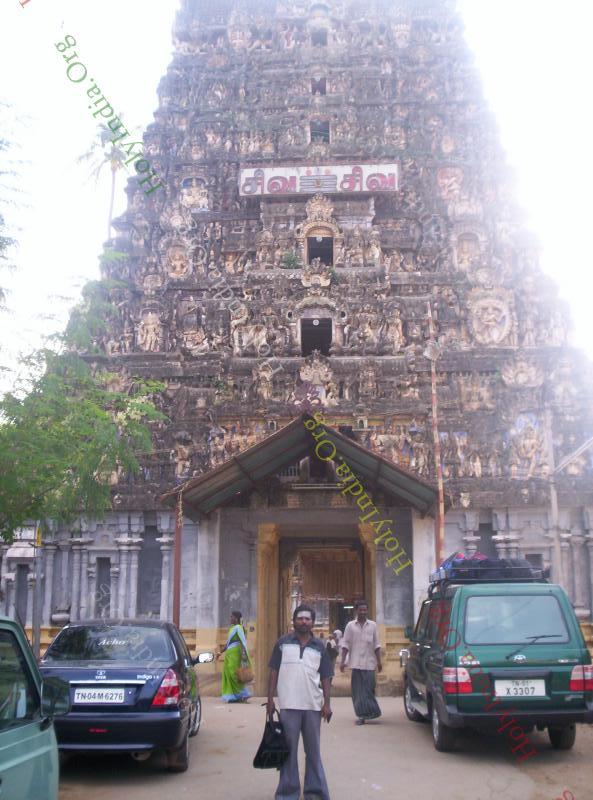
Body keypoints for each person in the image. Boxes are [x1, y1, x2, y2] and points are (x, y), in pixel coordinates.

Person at [267, 604, 333, 800]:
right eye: (300, 618)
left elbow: (327, 676)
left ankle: (316, 793)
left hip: (312, 706)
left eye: (307, 619)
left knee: (313, 752)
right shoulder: (282, 643)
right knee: (289, 752)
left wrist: (327, 704)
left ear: (312, 622)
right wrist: (270, 700)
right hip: (288, 706)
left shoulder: (320, 647)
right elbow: (273, 671)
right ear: (294, 621)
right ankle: (288, 793)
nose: (304, 621)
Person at [340, 600, 382, 725]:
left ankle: (372, 712)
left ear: (367, 610)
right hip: (356, 664)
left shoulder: (373, 625)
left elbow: (377, 645)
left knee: (369, 690)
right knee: (358, 692)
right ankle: (361, 716)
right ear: (356, 610)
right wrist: (342, 661)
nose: (363, 612)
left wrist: (379, 662)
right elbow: (345, 644)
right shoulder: (350, 626)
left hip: (370, 664)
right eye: (360, 610)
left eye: (365, 610)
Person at [218, 610, 252, 703]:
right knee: (228, 674)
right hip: (229, 654)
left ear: (236, 619)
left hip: (236, 655)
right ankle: (232, 696)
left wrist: (245, 656)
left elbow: (243, 642)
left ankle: (243, 694)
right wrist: (220, 652)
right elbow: (228, 643)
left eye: (232, 617)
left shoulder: (238, 628)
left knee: (234, 674)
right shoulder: (232, 628)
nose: (230, 618)